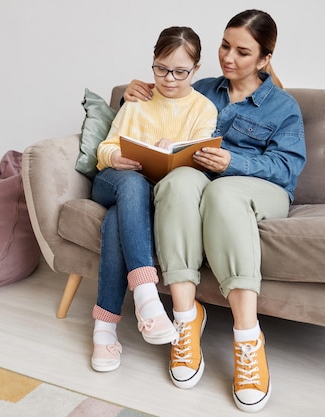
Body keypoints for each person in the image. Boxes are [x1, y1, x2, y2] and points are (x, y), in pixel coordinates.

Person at [123, 9, 306, 413]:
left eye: (243, 52)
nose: (229, 57)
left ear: (264, 59)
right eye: (225, 45)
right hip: (203, 180)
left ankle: (247, 337)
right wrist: (131, 93)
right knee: (176, 183)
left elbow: (288, 168)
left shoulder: (282, 106)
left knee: (224, 195)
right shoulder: (201, 87)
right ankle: (185, 318)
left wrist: (232, 163)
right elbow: (159, 98)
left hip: (262, 190)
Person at [90, 26, 218, 373]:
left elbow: (197, 160)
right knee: (130, 186)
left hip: (152, 191)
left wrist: (175, 152)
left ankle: (104, 331)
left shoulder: (203, 110)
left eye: (180, 71)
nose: (169, 79)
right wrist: (115, 157)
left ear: (196, 68)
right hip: (113, 180)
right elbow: (106, 146)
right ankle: (147, 298)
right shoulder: (139, 99)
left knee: (119, 218)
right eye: (161, 68)